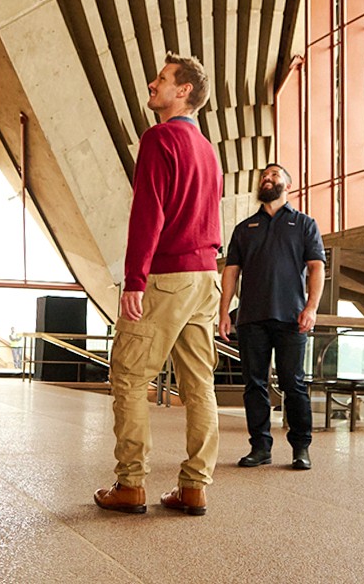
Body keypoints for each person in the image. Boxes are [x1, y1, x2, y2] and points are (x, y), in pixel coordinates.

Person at [94, 54, 223, 517]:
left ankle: (130, 485)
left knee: (128, 376)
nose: (153, 84)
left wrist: (135, 280)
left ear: (184, 91)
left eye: (163, 79)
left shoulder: (159, 138)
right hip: (206, 276)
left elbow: (149, 213)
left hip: (167, 275)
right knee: (199, 385)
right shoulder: (208, 151)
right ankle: (194, 487)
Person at [218, 162, 325, 471]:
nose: (267, 178)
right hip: (251, 318)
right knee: (254, 384)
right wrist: (224, 311)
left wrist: (312, 307)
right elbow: (231, 272)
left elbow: (317, 267)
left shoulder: (305, 224)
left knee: (294, 383)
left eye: (275, 175)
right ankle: (260, 447)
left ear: (287, 185)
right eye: (264, 176)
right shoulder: (244, 228)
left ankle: (301, 448)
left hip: (292, 317)